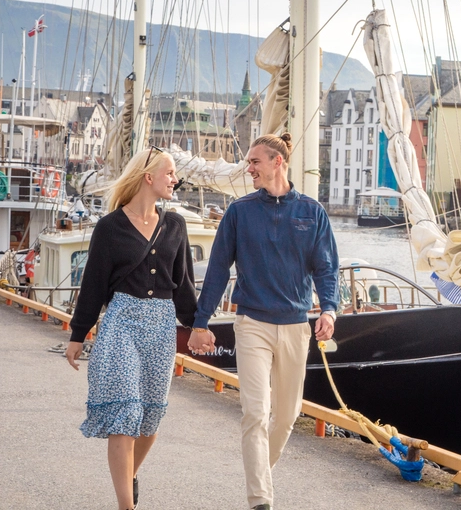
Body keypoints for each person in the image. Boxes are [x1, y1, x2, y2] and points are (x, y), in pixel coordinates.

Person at [193, 133, 339, 510]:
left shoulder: (312, 212)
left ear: (277, 162)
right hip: (252, 323)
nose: (249, 168)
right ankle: (261, 500)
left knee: (287, 416)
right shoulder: (239, 212)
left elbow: (326, 268)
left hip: (295, 325)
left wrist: (329, 309)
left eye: (254, 161)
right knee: (256, 412)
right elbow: (216, 272)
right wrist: (200, 321)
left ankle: (260, 474)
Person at [64, 147, 212, 510]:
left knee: (149, 416)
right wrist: (77, 335)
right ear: (149, 177)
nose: (175, 179)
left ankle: (128, 476)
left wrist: (198, 326)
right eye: (170, 172)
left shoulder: (175, 224)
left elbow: (184, 286)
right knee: (125, 414)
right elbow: (94, 285)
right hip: (121, 324)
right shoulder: (110, 227)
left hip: (161, 327)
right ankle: (125, 506)